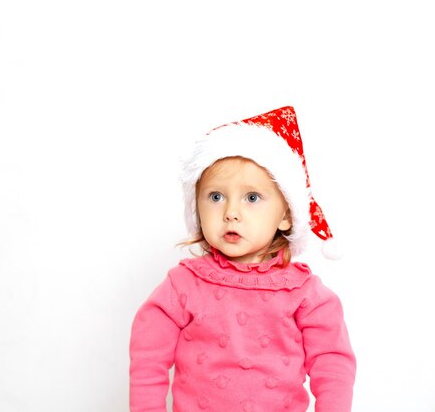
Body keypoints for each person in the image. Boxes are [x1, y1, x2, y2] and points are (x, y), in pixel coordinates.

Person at [129, 106, 356, 412]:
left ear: (287, 214)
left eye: (251, 198)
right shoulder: (183, 285)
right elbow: (148, 355)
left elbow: (333, 365)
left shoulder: (306, 295)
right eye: (215, 196)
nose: (230, 213)